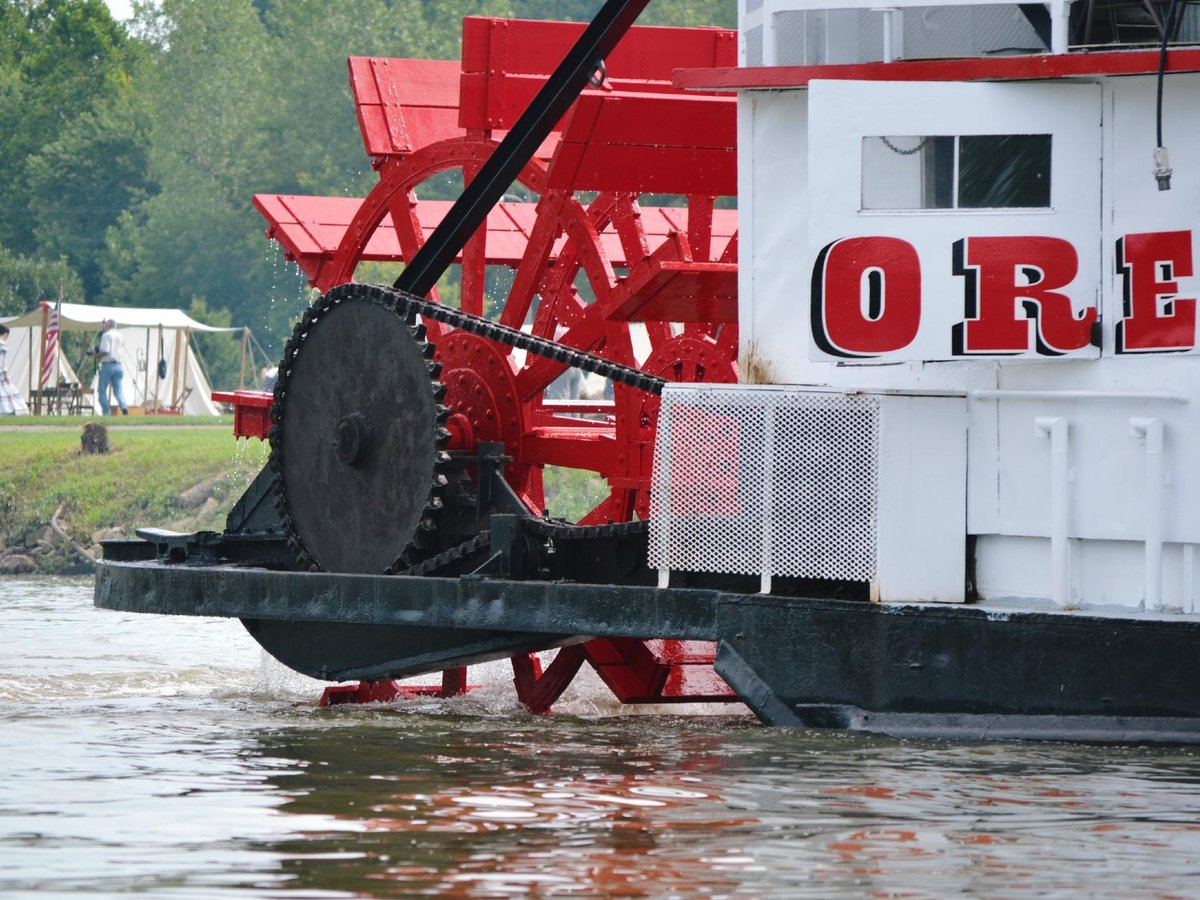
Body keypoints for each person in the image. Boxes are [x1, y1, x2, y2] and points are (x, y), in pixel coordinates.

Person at [93, 319, 128, 415]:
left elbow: (106, 350)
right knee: (118, 390)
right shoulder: (121, 336)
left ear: (108, 325)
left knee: (102, 390)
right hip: (119, 365)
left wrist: (96, 354)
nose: (103, 327)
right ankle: (124, 406)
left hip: (107, 365)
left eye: (105, 325)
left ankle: (106, 411)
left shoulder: (106, 335)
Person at [0, 325, 29, 415]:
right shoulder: (2, 345)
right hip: (1, 373)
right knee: (9, 393)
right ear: (5, 334)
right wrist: (4, 373)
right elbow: (2, 361)